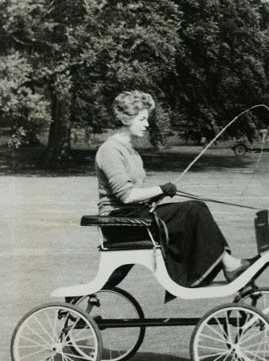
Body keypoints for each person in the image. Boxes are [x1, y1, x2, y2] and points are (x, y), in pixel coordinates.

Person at [95, 90, 252, 289]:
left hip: (134, 217)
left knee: (196, 209)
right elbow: (126, 196)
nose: (147, 124)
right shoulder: (110, 150)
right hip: (119, 223)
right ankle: (229, 265)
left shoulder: (131, 151)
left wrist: (156, 196)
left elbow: (134, 195)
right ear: (127, 118)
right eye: (142, 119)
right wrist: (161, 188)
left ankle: (228, 263)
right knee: (194, 210)